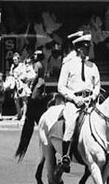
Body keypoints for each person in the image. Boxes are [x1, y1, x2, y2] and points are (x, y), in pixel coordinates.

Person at [57, 33, 100, 173]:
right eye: (86, 48)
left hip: (90, 101)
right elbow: (61, 86)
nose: (88, 50)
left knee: (105, 121)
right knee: (70, 123)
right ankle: (66, 156)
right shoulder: (68, 65)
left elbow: (97, 85)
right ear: (79, 49)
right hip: (74, 102)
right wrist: (74, 99)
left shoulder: (93, 66)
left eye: (89, 48)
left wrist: (92, 96)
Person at [18, 50, 48, 152]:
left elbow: (34, 76)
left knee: (33, 100)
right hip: (42, 82)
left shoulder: (37, 64)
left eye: (35, 55)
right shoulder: (41, 64)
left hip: (38, 84)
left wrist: (30, 85)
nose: (34, 56)